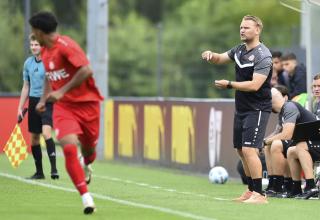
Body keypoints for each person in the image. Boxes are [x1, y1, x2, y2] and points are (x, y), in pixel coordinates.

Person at [29, 11, 103, 214]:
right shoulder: (44, 51)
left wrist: (61, 91)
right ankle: (87, 199)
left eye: (33, 31)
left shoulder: (65, 45)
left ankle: (87, 163)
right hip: (64, 108)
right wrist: (44, 99)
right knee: (69, 148)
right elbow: (48, 76)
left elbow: (86, 70)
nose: (33, 35)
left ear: (39, 31)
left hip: (87, 105)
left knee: (88, 150)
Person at [202, 15, 272, 204]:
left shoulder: (263, 55)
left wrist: (229, 84)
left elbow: (255, 85)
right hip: (242, 108)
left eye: (247, 27)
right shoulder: (239, 50)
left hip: (257, 108)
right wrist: (210, 55)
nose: (242, 30)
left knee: (250, 150)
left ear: (257, 30)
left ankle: (260, 194)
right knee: (241, 150)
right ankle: (250, 190)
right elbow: (220, 58)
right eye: (241, 27)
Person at [17, 34, 59, 180]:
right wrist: (20, 108)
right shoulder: (28, 63)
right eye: (32, 45)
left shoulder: (49, 62)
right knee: (34, 138)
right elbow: (26, 86)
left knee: (46, 133)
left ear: (42, 46)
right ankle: (39, 172)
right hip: (33, 102)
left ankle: (54, 169)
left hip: (47, 101)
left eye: (37, 44)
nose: (34, 47)